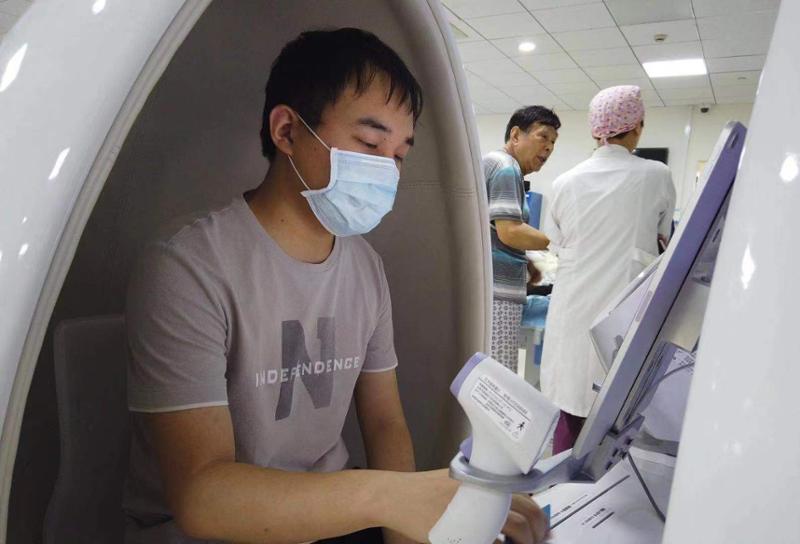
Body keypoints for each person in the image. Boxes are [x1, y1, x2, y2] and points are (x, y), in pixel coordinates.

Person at [123, 28, 548, 544]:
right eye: (369, 144)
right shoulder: (189, 265)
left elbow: (385, 422)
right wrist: (392, 498)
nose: (387, 171)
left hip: (331, 520)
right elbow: (203, 497)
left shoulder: (365, 267)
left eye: (399, 155)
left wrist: (402, 533)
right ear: (287, 131)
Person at [540, 85, 676, 454]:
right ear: (638, 127)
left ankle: (562, 484)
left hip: (572, 313)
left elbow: (555, 241)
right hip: (625, 313)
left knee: (570, 411)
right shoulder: (656, 175)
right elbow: (664, 236)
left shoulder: (565, 182)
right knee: (618, 415)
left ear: (594, 129)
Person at [484, 106, 560, 371]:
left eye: (553, 142)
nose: (549, 147)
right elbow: (510, 231)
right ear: (516, 135)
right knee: (497, 377)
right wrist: (559, 243)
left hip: (491, 291)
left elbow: (494, 230)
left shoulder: (495, 164)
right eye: (543, 136)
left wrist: (527, 263)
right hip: (498, 296)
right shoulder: (506, 167)